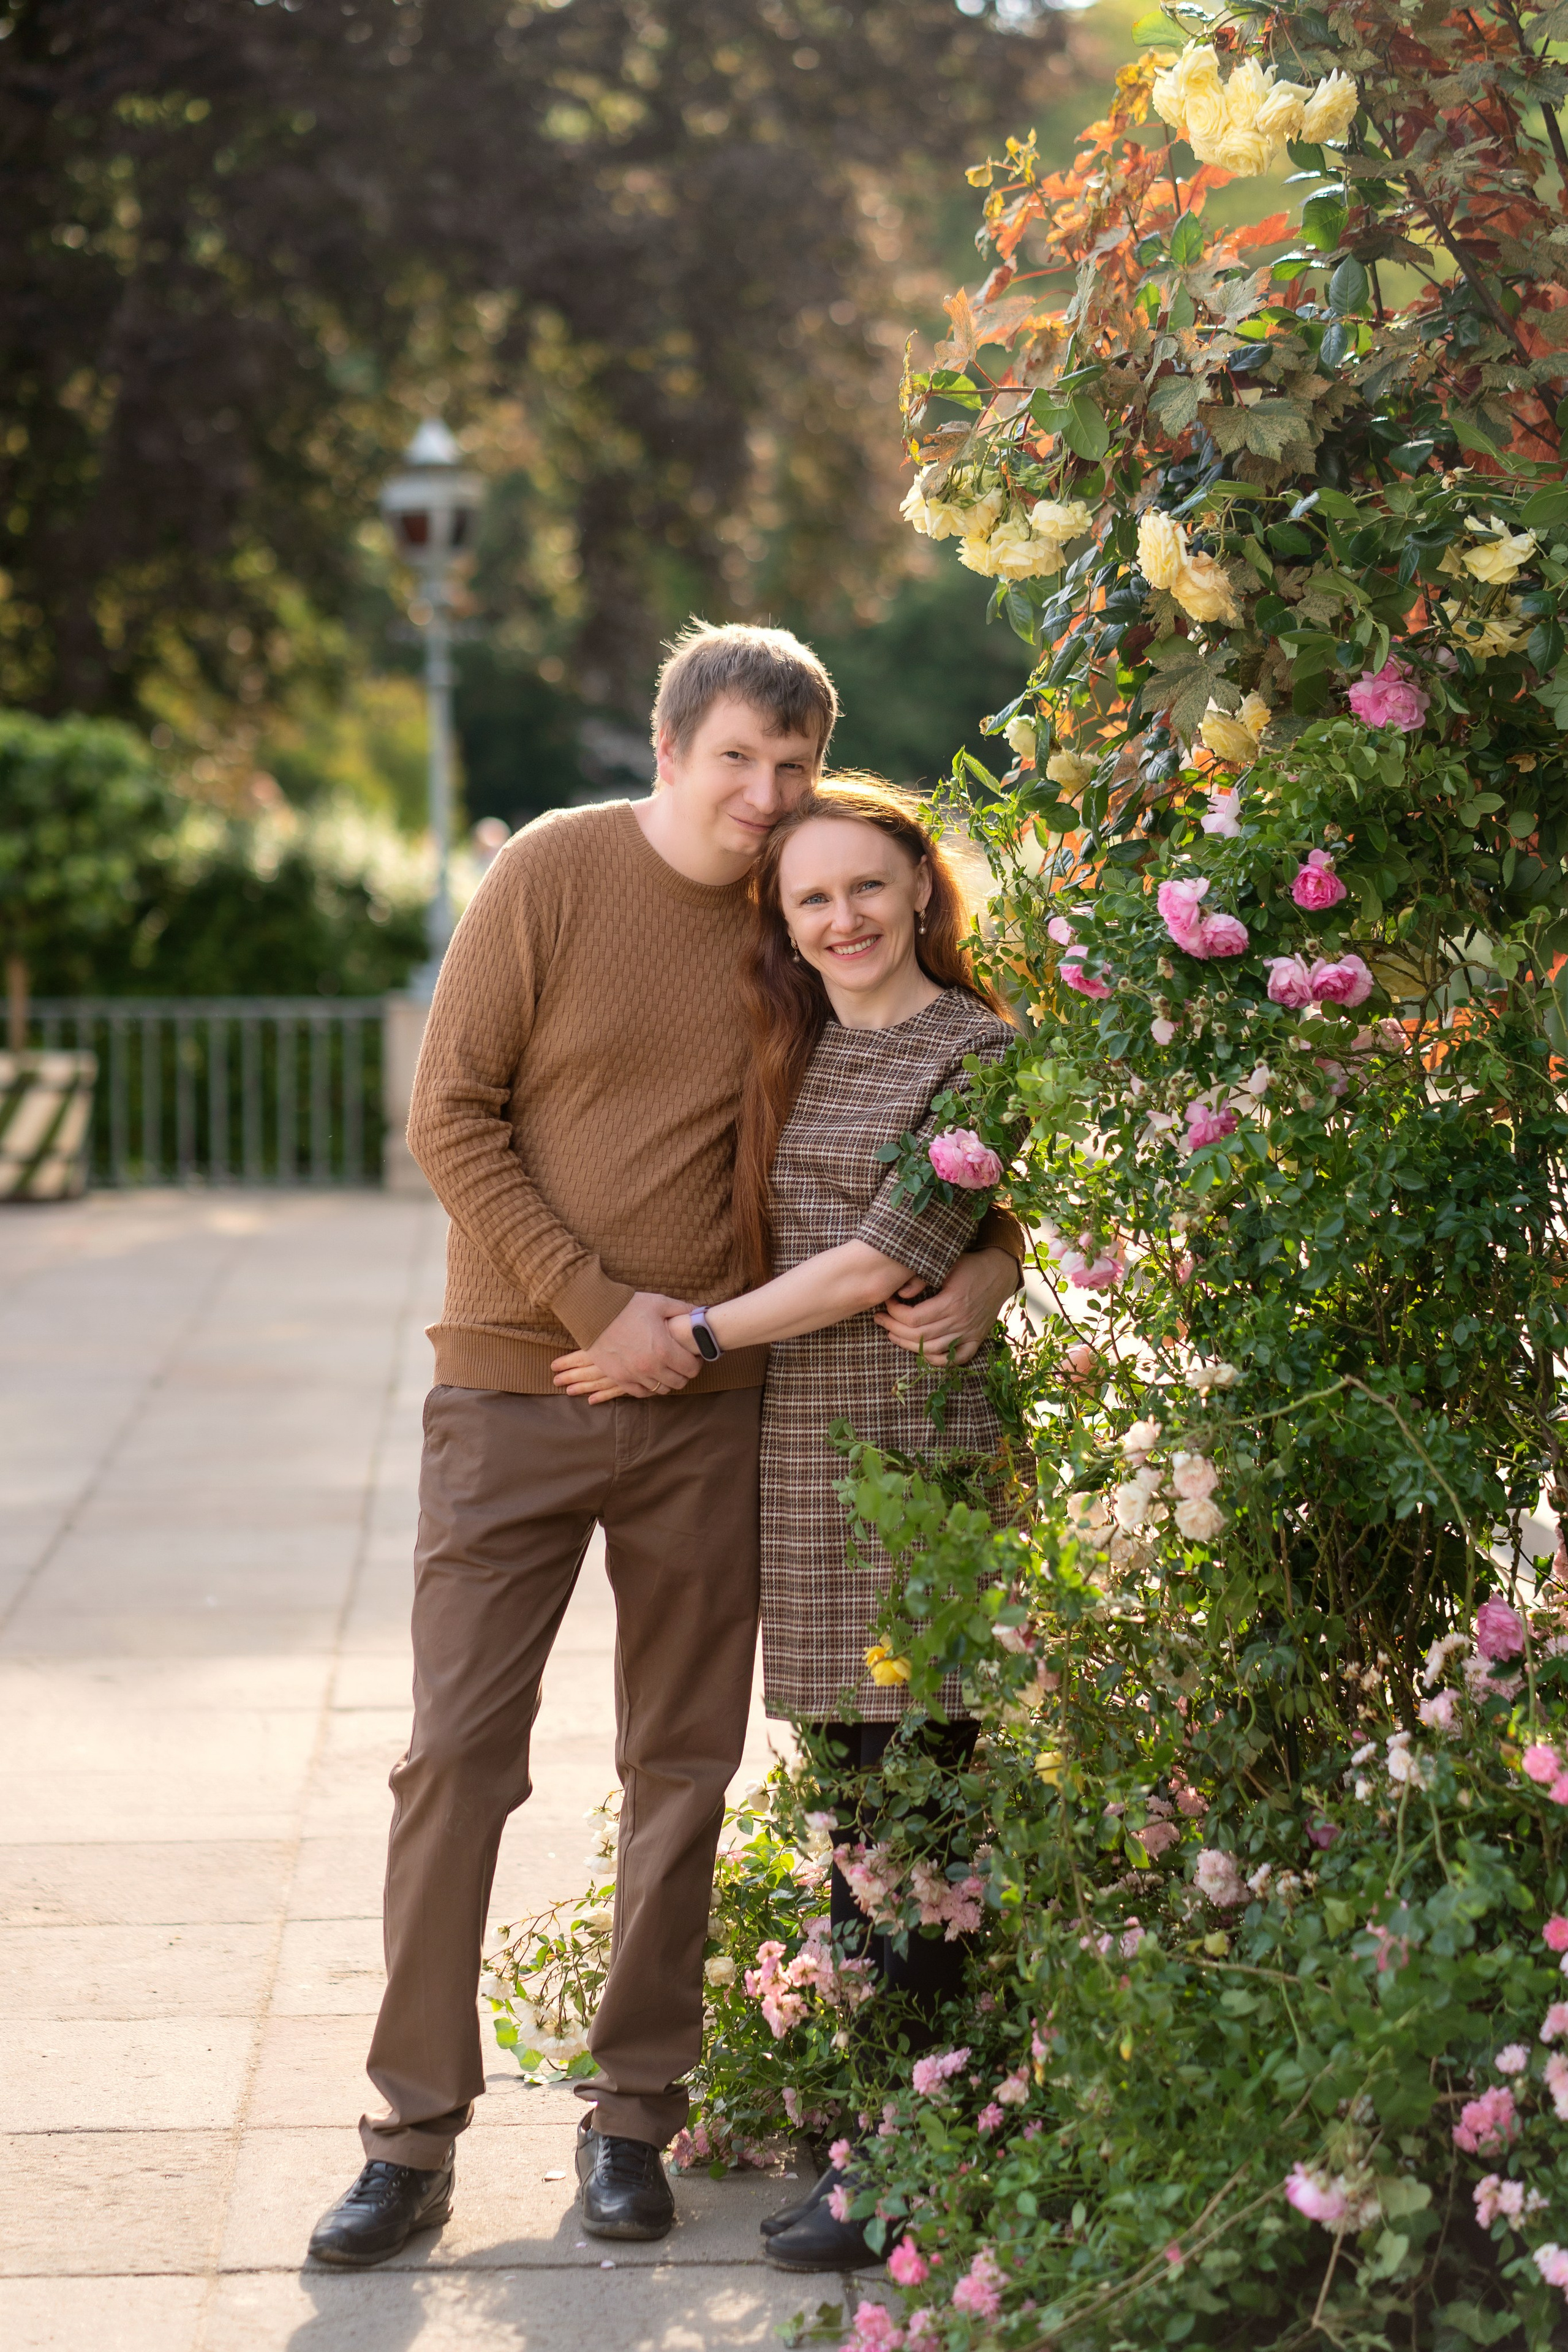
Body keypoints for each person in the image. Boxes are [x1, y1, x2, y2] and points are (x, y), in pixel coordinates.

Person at [306, 624, 1023, 2267]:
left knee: (679, 1769)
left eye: (791, 768)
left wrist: (992, 1261)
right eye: (735, 763)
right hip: (518, 1391)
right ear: (669, 746)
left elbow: (917, 1140)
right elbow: (451, 1113)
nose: (764, 800)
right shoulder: (554, 873)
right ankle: (408, 2136)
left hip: (715, 1419)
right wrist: (601, 1309)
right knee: (454, 1763)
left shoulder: (798, 929)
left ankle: (635, 2119)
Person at [553, 775, 1017, 2274]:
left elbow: (873, 1261)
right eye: (811, 898)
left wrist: (684, 1331)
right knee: (857, 1807)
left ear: (920, 891)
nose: (842, 918)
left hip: (915, 1456)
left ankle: (916, 2158)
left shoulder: (981, 1050)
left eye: (868, 887)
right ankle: (898, 2125)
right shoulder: (796, 1043)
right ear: (788, 924)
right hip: (799, 1461)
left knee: (918, 1796)